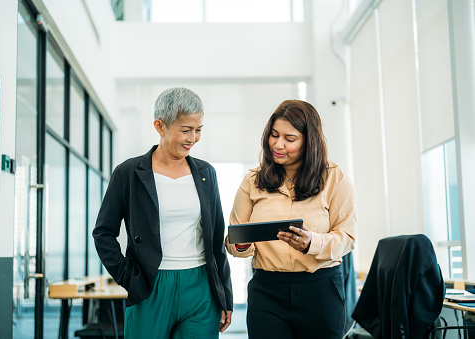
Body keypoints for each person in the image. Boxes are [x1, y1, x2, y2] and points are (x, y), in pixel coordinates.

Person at [93, 87, 233, 338]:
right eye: (185, 130)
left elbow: (216, 241)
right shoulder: (128, 173)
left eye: (198, 129)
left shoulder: (206, 174)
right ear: (160, 126)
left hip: (201, 287)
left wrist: (225, 294)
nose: (193, 138)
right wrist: (127, 276)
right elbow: (103, 232)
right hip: (150, 285)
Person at [225, 100, 357, 339]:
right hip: (267, 291)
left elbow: (347, 238)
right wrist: (242, 244)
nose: (278, 144)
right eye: (274, 135)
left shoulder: (335, 178)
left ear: (309, 140)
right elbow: (234, 240)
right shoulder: (252, 181)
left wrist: (311, 243)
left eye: (290, 138)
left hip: (319, 289)